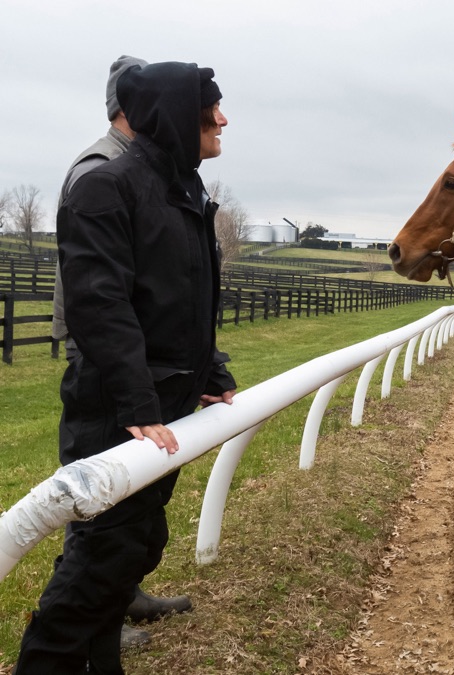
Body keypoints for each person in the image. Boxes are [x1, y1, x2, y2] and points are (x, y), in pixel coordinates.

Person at [16, 60, 236, 674]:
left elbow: (191, 305)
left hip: (166, 401)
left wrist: (213, 371)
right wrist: (138, 405)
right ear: (173, 116)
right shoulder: (103, 187)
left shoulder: (186, 192)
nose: (222, 119)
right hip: (116, 407)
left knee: (139, 544)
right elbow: (100, 304)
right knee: (103, 557)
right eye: (209, 109)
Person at [48, 54, 195, 653]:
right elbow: (101, 289)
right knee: (104, 508)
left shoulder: (150, 171)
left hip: (139, 358)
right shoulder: (103, 167)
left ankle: (122, 596)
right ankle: (94, 627)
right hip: (108, 360)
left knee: (134, 505)